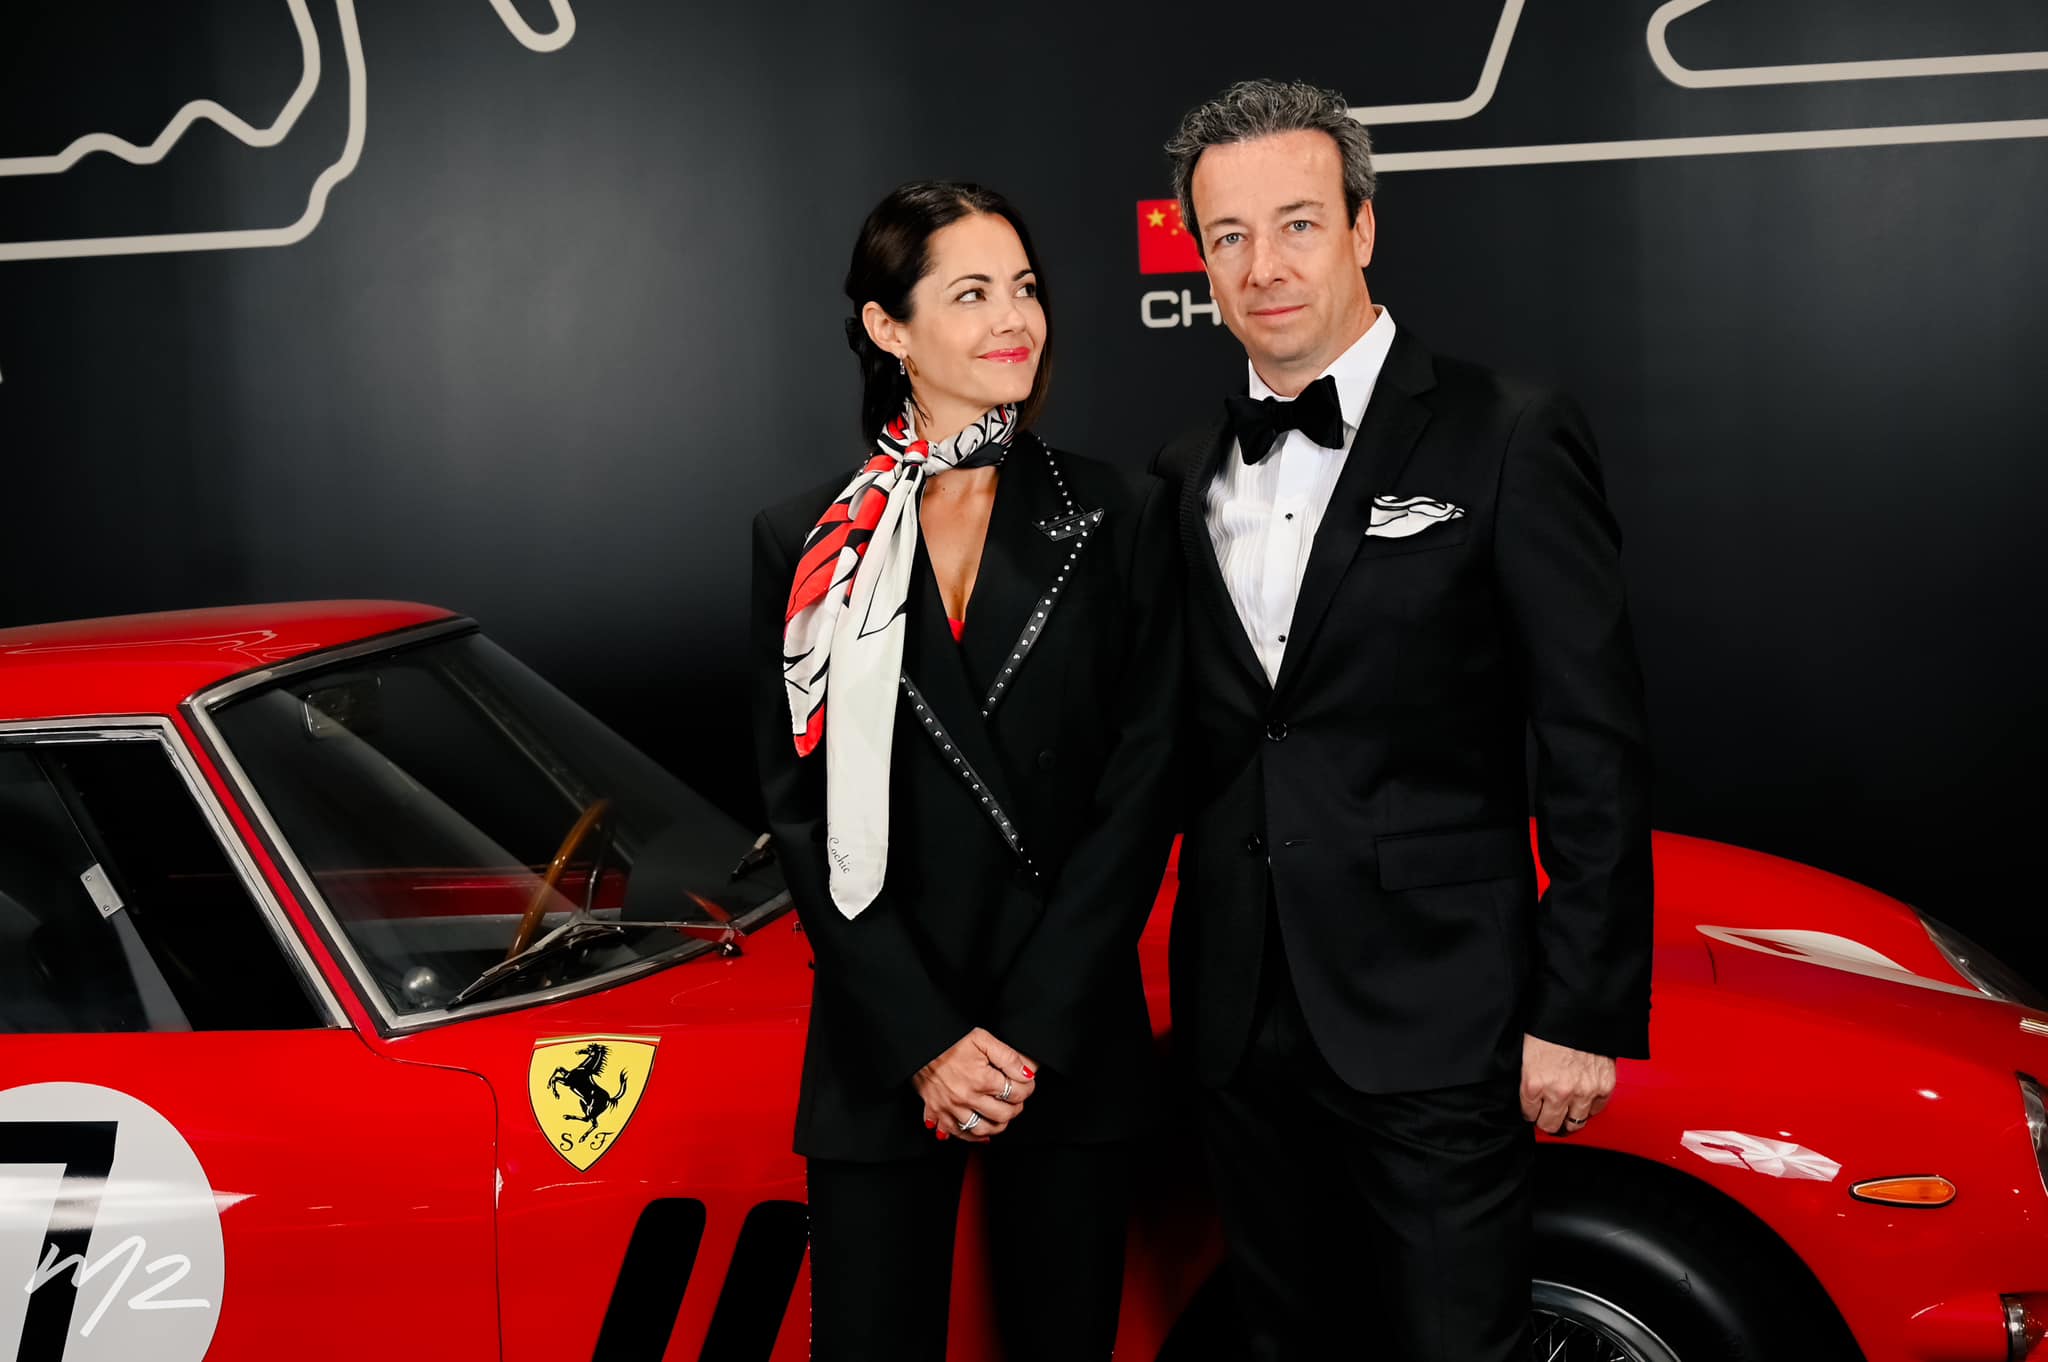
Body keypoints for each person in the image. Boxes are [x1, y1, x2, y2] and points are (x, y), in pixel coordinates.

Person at [1151, 79, 1655, 1359]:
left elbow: (1589, 737)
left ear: (1363, 229)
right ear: (1196, 254)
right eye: (1227, 236)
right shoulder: (1177, 472)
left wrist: (1580, 1010)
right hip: (1237, 1017)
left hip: (1439, 1008)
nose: (1262, 266)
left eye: (1297, 223)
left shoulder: (1505, 433)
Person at [749, 180, 1182, 1362]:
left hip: (1065, 1031)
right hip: (887, 1037)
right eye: (973, 292)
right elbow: (798, 814)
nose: (1016, 320)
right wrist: (927, 1040)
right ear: (889, 330)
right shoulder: (805, 539)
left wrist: (1026, 1033)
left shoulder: (1119, 512)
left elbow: (1142, 787)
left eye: (1027, 289)